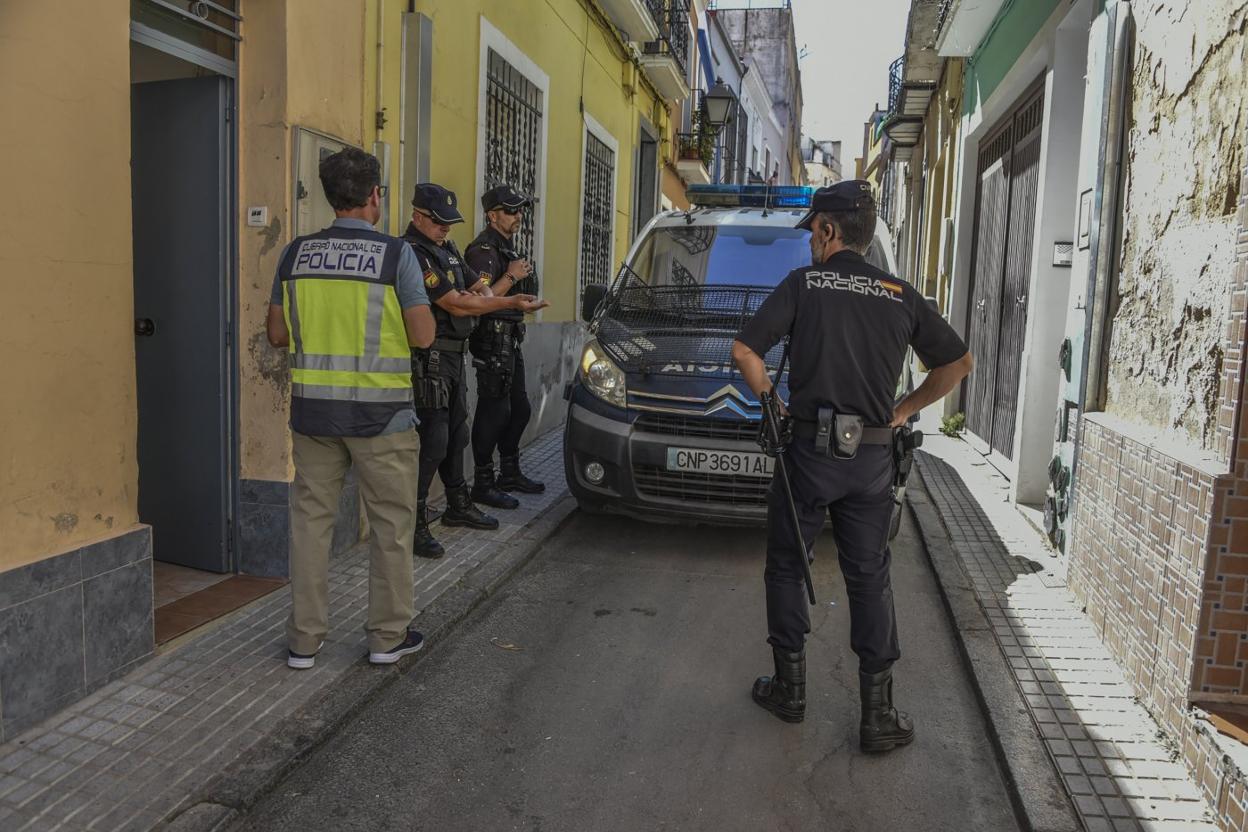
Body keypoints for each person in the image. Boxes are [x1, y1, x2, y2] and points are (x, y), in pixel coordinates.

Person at [731, 180, 974, 751]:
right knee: (870, 577)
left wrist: (774, 403)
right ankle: (878, 715)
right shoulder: (900, 293)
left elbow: (745, 351)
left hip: (808, 455)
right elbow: (959, 362)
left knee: (789, 565)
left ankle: (789, 693)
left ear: (828, 229)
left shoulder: (805, 284)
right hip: (870, 458)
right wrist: (902, 412)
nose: (811, 241)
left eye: (813, 231)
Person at [266, 147, 435, 668]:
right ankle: (387, 637)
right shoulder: (395, 255)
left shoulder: (294, 254)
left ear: (330, 196)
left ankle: (303, 641)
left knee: (311, 526)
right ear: (374, 196)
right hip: (382, 419)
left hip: (313, 416)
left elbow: (277, 334)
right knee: (390, 526)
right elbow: (423, 336)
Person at [403, 183, 548, 559]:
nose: (446, 229)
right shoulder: (413, 253)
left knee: (456, 433)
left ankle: (457, 504)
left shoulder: (447, 249)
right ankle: (415, 522)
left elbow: (478, 288)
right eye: (439, 223)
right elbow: (454, 303)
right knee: (434, 440)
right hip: (430, 357)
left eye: (449, 223)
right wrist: (509, 296)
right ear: (418, 216)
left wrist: (483, 295)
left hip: (454, 355)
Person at [464, 185, 546, 509]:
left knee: (520, 409)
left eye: (520, 210)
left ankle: (509, 472)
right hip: (491, 340)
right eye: (511, 210)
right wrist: (511, 278)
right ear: (492, 214)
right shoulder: (482, 251)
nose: (518, 216)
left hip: (510, 339)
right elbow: (477, 301)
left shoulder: (506, 248)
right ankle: (483, 483)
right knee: (494, 413)